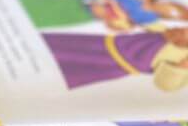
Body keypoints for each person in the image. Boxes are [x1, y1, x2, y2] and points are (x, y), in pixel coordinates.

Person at [41, 27, 188, 91]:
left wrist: (181, 67)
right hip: (110, 43)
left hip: (117, 64)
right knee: (56, 46)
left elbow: (166, 85)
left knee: (64, 72)